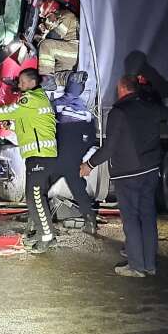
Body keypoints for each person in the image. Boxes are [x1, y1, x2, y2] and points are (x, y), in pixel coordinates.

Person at [81, 74, 168, 277]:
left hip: (127, 174)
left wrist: (89, 165)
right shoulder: (150, 107)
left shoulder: (119, 112)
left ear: (122, 89)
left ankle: (136, 266)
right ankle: (149, 265)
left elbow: (109, 148)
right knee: (147, 216)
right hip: (150, 170)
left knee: (131, 219)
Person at [0, 68, 59, 253]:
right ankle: (42, 233)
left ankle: (47, 237)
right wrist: (11, 124)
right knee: (32, 198)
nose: (18, 84)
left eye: (21, 81)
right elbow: (27, 123)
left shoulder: (29, 100)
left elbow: (8, 110)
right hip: (39, 155)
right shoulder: (37, 100)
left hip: (40, 156)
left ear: (29, 83)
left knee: (36, 197)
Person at [45, 71, 100, 234]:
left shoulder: (56, 104)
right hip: (73, 160)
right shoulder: (86, 112)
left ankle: (38, 223)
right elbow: (90, 138)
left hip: (55, 157)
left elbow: (46, 127)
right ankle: (91, 223)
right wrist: (79, 153)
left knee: (40, 190)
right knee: (79, 192)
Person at [36, 2, 80, 85]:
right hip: (70, 56)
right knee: (53, 73)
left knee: (46, 46)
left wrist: (42, 35)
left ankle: (47, 81)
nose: (47, 20)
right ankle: (70, 79)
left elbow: (55, 36)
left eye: (48, 17)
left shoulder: (67, 16)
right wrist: (45, 29)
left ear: (54, 11)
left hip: (75, 50)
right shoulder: (59, 18)